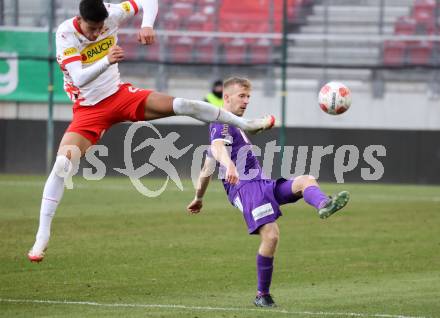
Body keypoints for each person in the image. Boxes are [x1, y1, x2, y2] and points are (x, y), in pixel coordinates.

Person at [27, 0, 275, 263]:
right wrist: (106, 60)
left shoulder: (113, 13)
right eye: (92, 29)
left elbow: (147, 1)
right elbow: (78, 78)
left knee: (183, 104)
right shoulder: (65, 33)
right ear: (81, 19)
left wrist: (147, 24)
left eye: (101, 28)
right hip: (89, 109)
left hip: (120, 95)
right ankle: (42, 237)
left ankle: (246, 125)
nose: (97, 33)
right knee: (63, 163)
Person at [187, 77, 350, 308]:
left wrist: (199, 197)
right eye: (241, 96)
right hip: (245, 188)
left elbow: (206, 168)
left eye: (248, 97)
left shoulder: (235, 125)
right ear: (227, 97)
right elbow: (217, 148)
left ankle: (324, 204)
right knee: (271, 235)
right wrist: (230, 165)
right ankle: (261, 295)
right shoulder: (220, 122)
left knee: (306, 181)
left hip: (261, 184)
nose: (246, 101)